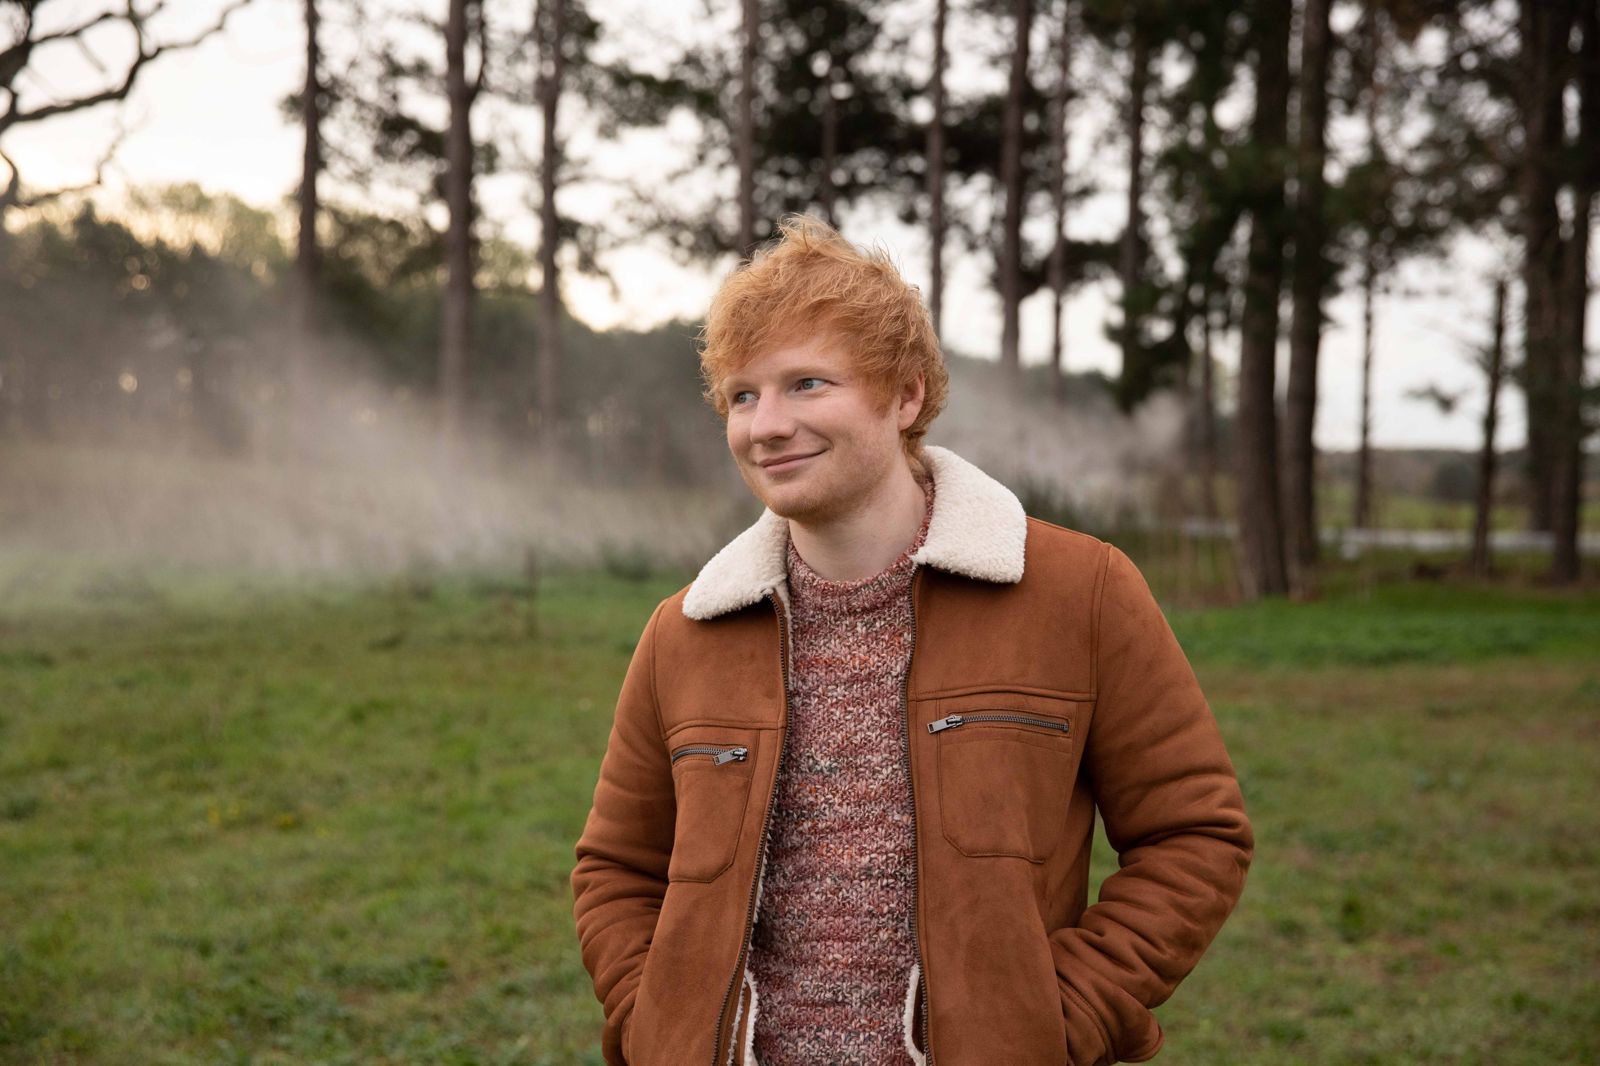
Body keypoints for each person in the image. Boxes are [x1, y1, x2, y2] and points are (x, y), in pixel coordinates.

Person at [570, 215, 1253, 1066]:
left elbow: (1195, 835)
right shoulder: (686, 632)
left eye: (807, 384)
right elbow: (616, 869)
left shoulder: (1081, 593)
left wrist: (1059, 1018)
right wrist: (653, 1022)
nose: (765, 425)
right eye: (742, 396)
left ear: (905, 397)